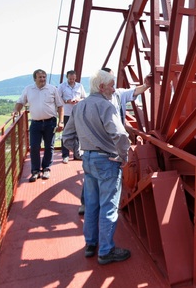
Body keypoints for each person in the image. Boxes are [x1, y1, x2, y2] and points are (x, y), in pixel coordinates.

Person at [62, 69, 132, 264]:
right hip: (107, 162)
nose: (114, 89)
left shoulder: (79, 107)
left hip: (89, 161)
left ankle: (90, 244)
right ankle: (106, 251)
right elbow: (121, 135)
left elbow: (66, 137)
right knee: (109, 206)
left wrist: (80, 152)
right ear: (101, 87)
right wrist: (122, 156)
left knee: (91, 205)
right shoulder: (107, 106)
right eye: (111, 85)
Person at [76, 67, 151, 215]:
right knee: (97, 175)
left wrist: (146, 85)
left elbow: (134, 92)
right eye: (110, 82)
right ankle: (90, 205)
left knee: (96, 173)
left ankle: (101, 207)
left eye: (113, 82)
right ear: (101, 84)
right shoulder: (96, 101)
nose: (113, 86)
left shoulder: (118, 94)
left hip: (112, 142)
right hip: (102, 142)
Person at [12, 69, 64, 182]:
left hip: (50, 122)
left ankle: (46, 169)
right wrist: (16, 110)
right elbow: (21, 102)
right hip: (35, 123)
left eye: (44, 77)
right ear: (35, 78)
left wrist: (61, 121)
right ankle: (35, 171)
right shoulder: (28, 89)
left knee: (49, 146)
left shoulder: (52, 89)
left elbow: (60, 106)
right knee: (34, 146)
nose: (43, 79)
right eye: (40, 77)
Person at [58, 70, 86, 164]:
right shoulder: (62, 86)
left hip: (78, 112)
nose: (72, 80)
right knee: (66, 134)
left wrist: (79, 100)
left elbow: (84, 98)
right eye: (70, 79)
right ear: (67, 77)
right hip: (66, 113)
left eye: (73, 78)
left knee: (78, 134)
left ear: (76, 78)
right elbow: (58, 99)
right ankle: (65, 155)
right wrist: (67, 101)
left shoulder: (80, 86)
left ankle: (76, 154)